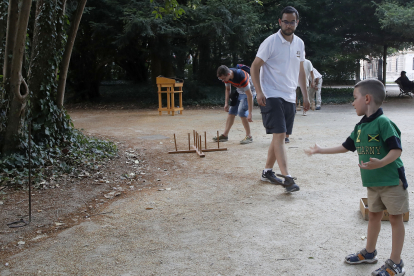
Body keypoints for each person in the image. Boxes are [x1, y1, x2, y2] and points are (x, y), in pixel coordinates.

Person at [305, 79, 409, 276]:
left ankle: (396, 263)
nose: (353, 103)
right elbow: (346, 147)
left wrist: (381, 162)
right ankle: (369, 253)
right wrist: (320, 150)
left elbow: (396, 150)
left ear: (367, 99)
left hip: (392, 181)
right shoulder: (360, 127)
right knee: (374, 217)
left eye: (355, 98)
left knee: (395, 219)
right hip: (373, 183)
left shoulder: (384, 123)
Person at [250, 6, 310, 193]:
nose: (289, 25)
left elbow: (301, 70)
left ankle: (267, 171)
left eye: (292, 21)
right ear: (279, 22)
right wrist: (259, 91)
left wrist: (305, 95)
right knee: (280, 135)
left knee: (280, 136)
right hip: (271, 94)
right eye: (285, 21)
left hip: (290, 95)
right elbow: (254, 67)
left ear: (297, 23)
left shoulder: (299, 43)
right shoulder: (270, 42)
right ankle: (288, 178)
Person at [214, 65, 255, 144]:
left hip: (250, 91)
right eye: (221, 79)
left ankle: (249, 136)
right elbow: (228, 89)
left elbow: (249, 95)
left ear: (228, 74)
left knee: (241, 111)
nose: (222, 80)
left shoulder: (241, 76)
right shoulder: (227, 77)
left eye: (223, 78)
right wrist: (226, 103)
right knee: (231, 111)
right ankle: (225, 135)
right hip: (239, 91)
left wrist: (250, 113)